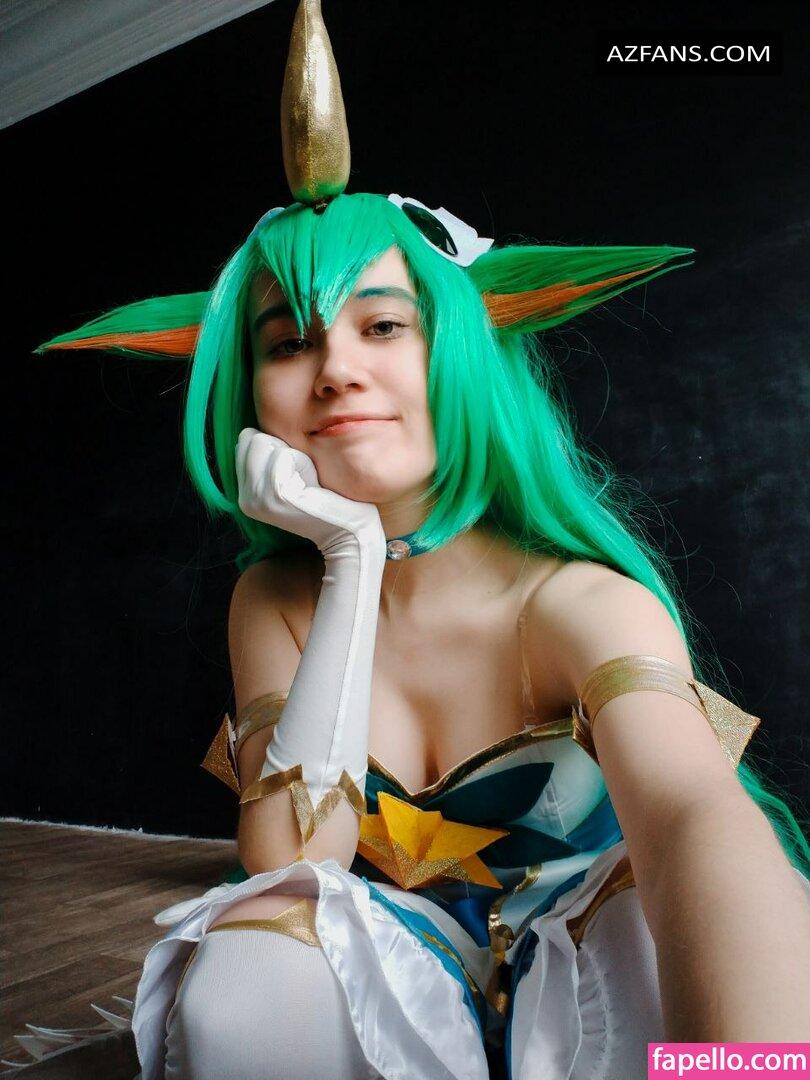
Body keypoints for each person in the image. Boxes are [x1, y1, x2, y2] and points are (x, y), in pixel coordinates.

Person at [31, 3, 810, 1078]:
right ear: (249, 392)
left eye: (384, 324)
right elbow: (293, 860)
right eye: (288, 342)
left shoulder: (581, 604)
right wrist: (349, 558)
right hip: (406, 986)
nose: (337, 370)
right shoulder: (275, 601)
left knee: (645, 919)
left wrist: (744, 1068)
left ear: (461, 350)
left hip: (595, 996)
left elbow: (689, 818)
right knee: (249, 968)